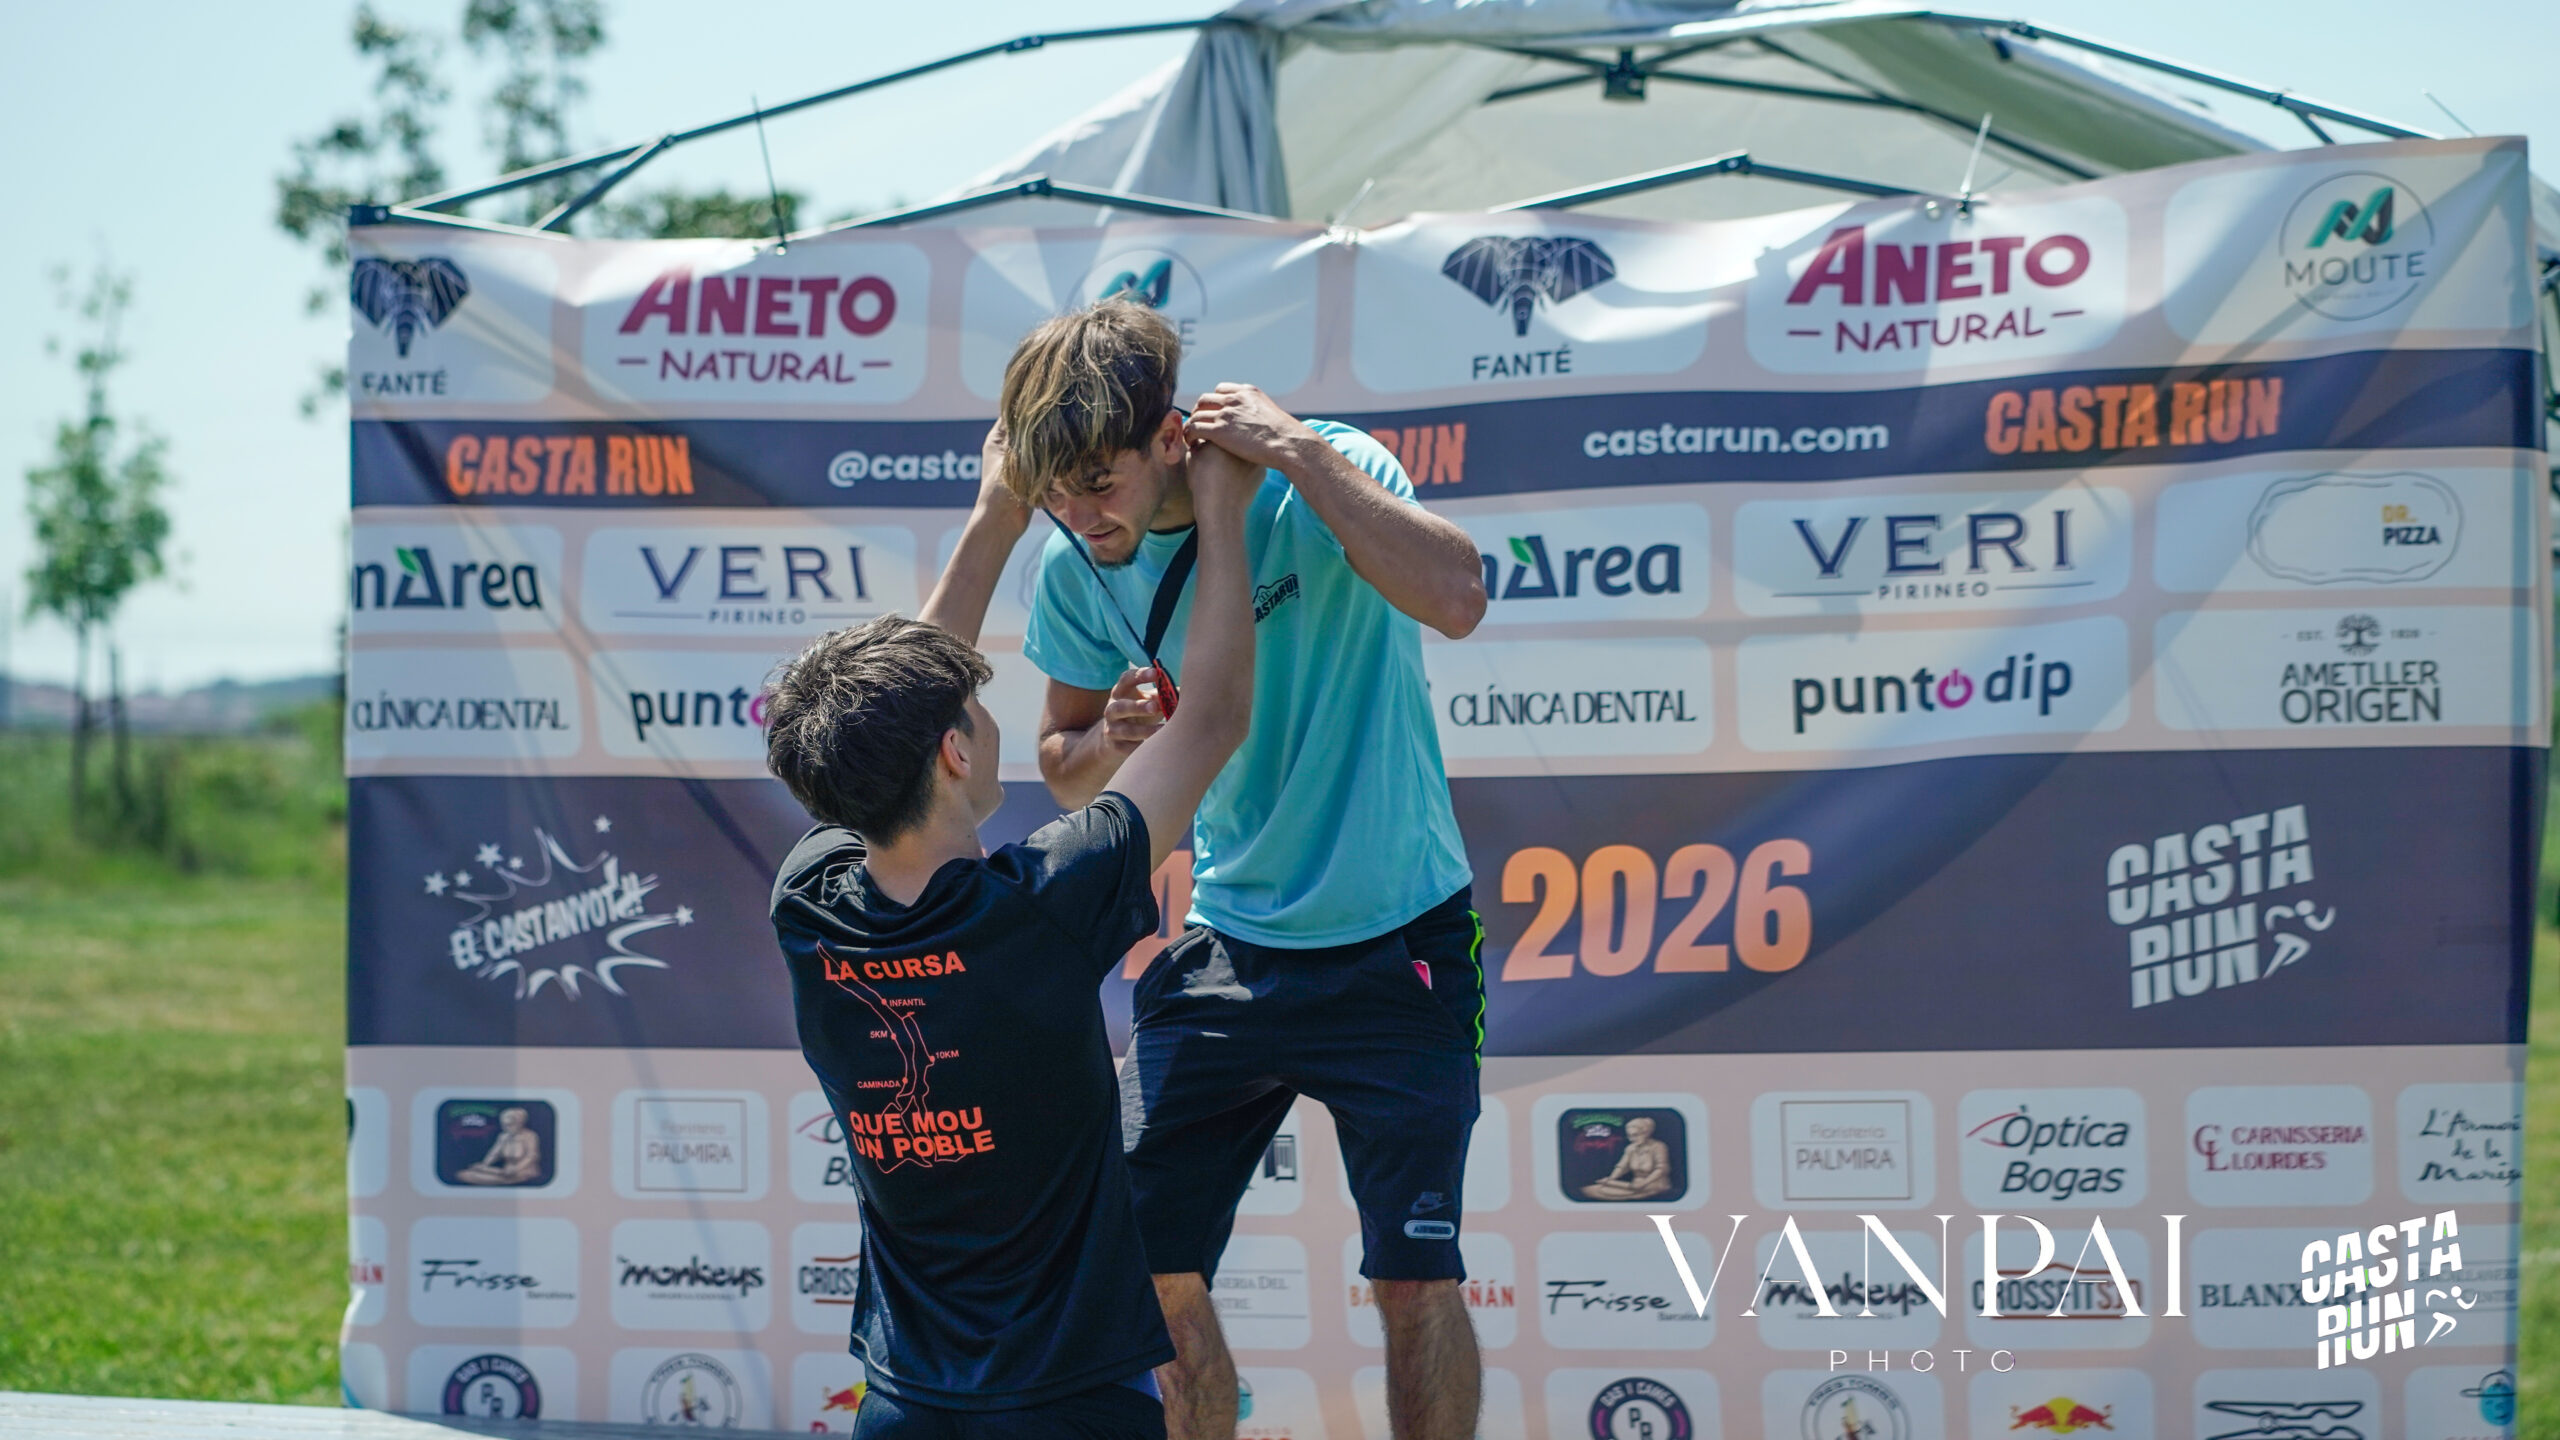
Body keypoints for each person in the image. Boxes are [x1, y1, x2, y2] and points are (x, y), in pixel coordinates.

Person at [1004, 302, 1488, 1440]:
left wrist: (1302, 454)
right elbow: (1062, 766)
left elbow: (1460, 601)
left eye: (1098, 483)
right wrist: (1109, 740)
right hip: (1227, 941)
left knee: (1413, 1280)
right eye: (1055, 494)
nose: (1078, 514)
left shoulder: (1322, 466)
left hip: (1401, 938)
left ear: (1169, 436)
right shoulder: (1075, 567)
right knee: (1141, 1260)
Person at [763, 416, 1263, 1437]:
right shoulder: (1045, 902)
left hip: (901, 1407)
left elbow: (888, 720)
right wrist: (1221, 508)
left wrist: (995, 513)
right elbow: (1211, 718)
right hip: (1072, 1409)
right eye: (974, 713)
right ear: (955, 752)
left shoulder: (807, 902)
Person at [1579, 1115, 1673, 1201]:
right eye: (1629, 1136)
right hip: (1633, 1185)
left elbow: (1661, 1169)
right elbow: (1622, 1167)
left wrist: (1644, 1183)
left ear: (1646, 1133)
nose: (1631, 1139)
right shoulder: (1630, 1148)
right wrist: (1610, 1179)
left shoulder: (1659, 1147)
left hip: (1654, 1184)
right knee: (1597, 1189)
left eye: (1635, 1135)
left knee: (1602, 1192)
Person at [455, 1107, 541, 1186]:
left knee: (490, 1180)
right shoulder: (503, 1136)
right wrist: (484, 1165)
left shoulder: (530, 1136)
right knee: (465, 1174)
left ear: (520, 1123)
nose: (506, 1128)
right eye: (504, 1125)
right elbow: (494, 1153)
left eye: (510, 1125)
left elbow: (532, 1156)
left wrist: (517, 1168)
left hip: (523, 1172)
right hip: (505, 1172)